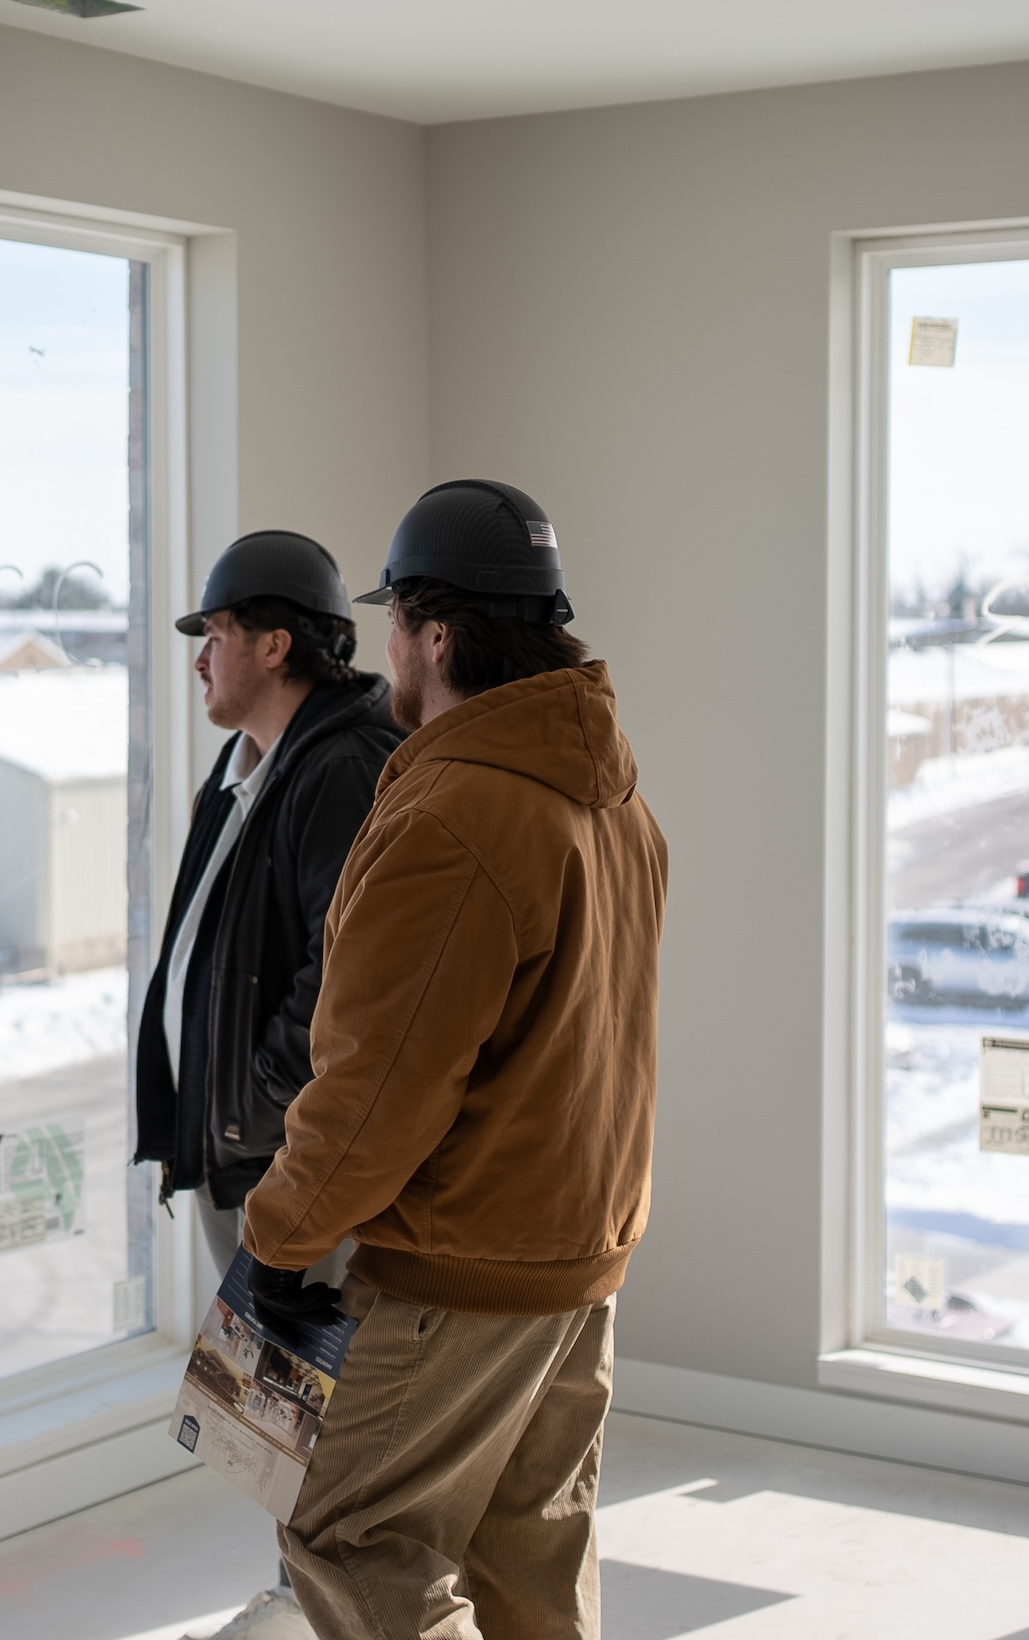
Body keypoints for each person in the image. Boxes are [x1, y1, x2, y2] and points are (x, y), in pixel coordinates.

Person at [240, 480, 669, 1640]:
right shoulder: (610, 797)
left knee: (345, 1526)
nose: (386, 651)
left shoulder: (454, 816)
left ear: (437, 633)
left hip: (458, 1266)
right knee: (526, 1547)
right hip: (577, 1251)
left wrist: (278, 1234)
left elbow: (381, 1080)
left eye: (395, 623)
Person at [134, 529, 402, 1640]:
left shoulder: (338, 762)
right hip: (238, 1144)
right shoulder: (249, 760)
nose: (199, 655)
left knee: (313, 1412)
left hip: (285, 1154)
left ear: (277, 642)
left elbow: (344, 975)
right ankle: (301, 1602)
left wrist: (255, 1091)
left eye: (216, 633)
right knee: (278, 1413)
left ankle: (319, 1609)